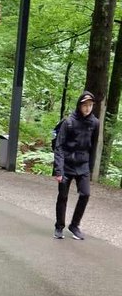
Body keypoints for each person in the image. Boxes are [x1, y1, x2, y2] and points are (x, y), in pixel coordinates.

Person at [54, 91, 99, 240]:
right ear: (79, 105)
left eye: (90, 105)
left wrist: (90, 169)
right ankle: (59, 226)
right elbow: (59, 146)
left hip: (83, 166)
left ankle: (74, 225)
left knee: (85, 194)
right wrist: (58, 170)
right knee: (63, 196)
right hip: (66, 165)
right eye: (85, 105)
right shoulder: (69, 122)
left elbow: (93, 147)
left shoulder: (95, 123)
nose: (88, 108)